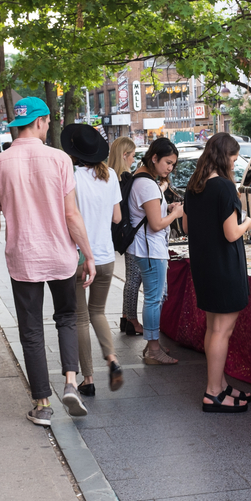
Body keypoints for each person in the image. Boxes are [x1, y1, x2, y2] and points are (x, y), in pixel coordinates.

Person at [0, 97, 95, 426]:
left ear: (16, 125)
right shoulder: (60, 160)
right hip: (61, 254)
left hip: (23, 257)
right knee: (67, 319)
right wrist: (87, 254)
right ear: (42, 121)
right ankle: (71, 382)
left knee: (31, 330)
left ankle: (42, 404)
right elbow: (71, 214)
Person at [182, 133, 251, 413]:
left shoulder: (194, 186)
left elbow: (187, 227)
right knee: (222, 331)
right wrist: (247, 222)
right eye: (234, 160)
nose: (235, 166)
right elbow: (231, 232)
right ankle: (213, 392)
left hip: (204, 266)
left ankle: (220, 385)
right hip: (224, 267)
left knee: (214, 328)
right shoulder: (224, 188)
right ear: (225, 157)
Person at [61, 124, 125, 396]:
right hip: (105, 256)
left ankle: (88, 379)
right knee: (98, 311)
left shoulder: (72, 176)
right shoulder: (110, 175)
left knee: (80, 318)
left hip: (78, 257)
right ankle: (112, 359)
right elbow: (117, 218)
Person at [128, 138, 184, 365]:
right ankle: (153, 350)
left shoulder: (145, 180)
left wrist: (166, 208)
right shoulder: (146, 184)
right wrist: (175, 214)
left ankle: (153, 344)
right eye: (168, 163)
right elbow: (156, 224)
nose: (170, 168)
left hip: (148, 249)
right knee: (154, 299)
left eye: (173, 164)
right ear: (154, 158)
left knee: (155, 297)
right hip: (150, 250)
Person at [108, 137, 144, 336]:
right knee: (133, 279)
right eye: (132, 155)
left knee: (131, 277)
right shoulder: (124, 178)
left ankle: (125, 318)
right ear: (124, 155)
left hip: (118, 232)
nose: (133, 159)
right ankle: (131, 320)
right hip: (128, 232)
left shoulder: (108, 175)